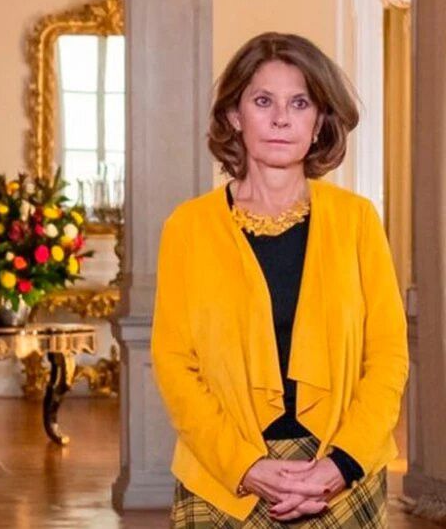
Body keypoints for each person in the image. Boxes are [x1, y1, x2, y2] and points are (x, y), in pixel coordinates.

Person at [152, 32, 408, 527]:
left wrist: (341, 464)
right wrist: (245, 467)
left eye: (300, 103)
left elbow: (388, 355)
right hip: (222, 477)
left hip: (341, 475)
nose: (281, 119)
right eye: (263, 101)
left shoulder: (357, 221)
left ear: (319, 121)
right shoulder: (188, 227)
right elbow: (174, 364)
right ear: (234, 115)